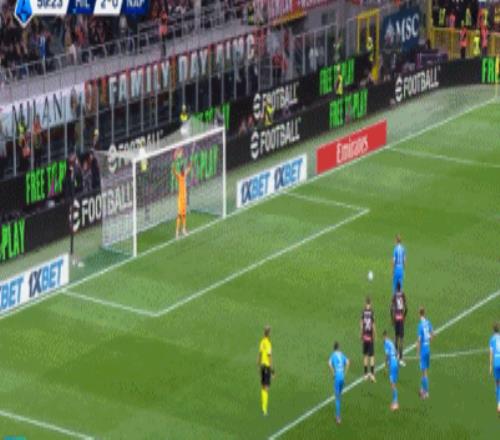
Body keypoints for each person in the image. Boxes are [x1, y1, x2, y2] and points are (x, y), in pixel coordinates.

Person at [328, 341, 350, 424]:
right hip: (342, 377)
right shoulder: (342, 354)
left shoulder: (333, 355)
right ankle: (338, 414)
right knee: (339, 396)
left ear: (334, 348)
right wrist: (345, 373)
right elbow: (348, 362)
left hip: (337, 377)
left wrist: (333, 373)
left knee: (337, 398)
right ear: (339, 347)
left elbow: (329, 363)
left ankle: (338, 417)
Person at [416, 307, 433, 399]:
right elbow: (432, 334)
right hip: (428, 349)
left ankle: (426, 393)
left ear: (419, 314)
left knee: (424, 372)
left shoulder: (420, 326)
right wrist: (429, 340)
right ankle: (423, 389)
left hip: (423, 350)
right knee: (424, 371)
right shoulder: (428, 322)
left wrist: (417, 353)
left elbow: (419, 340)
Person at [172, 161, 191, 238]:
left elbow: (189, 168)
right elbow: (174, 172)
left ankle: (183, 229)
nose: (184, 170)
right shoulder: (179, 176)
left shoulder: (185, 174)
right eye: (183, 169)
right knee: (179, 215)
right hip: (180, 199)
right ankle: (177, 232)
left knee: (184, 215)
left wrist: (190, 164)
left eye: (184, 169)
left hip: (184, 198)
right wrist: (173, 167)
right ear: (181, 170)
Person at [258, 325, 274, 416]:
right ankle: (264, 409)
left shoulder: (262, 342)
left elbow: (260, 354)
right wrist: (272, 370)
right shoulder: (268, 343)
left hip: (262, 366)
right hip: (267, 367)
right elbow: (269, 356)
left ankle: (263, 407)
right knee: (266, 387)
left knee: (263, 387)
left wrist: (258, 364)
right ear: (269, 333)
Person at [391, 282, 408, 366]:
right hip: (401, 318)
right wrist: (404, 316)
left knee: (396, 337)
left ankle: (395, 355)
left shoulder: (394, 295)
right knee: (401, 338)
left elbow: (391, 308)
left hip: (396, 318)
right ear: (400, 288)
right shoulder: (403, 295)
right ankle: (400, 358)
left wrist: (392, 319)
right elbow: (406, 308)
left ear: (396, 288)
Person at [360, 296, 376, 382]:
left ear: (365, 303)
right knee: (372, 356)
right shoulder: (372, 312)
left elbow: (361, 324)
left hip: (365, 336)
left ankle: (365, 374)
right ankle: (372, 374)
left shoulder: (363, 312)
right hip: (370, 337)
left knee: (365, 355)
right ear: (371, 303)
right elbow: (373, 325)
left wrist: (361, 334)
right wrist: (375, 334)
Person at [383, 330, 399, 411]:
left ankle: (395, 403)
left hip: (392, 364)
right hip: (395, 362)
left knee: (392, 384)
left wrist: (386, 366)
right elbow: (396, 353)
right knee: (394, 383)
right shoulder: (391, 342)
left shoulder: (386, 343)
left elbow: (386, 356)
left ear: (384, 336)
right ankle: (394, 401)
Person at [489, 322, 500, 414]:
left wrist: (490, 366)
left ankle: (499, 404)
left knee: (497, 384)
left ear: (493, 330)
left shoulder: (492, 339)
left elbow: (491, 353)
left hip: (496, 362)